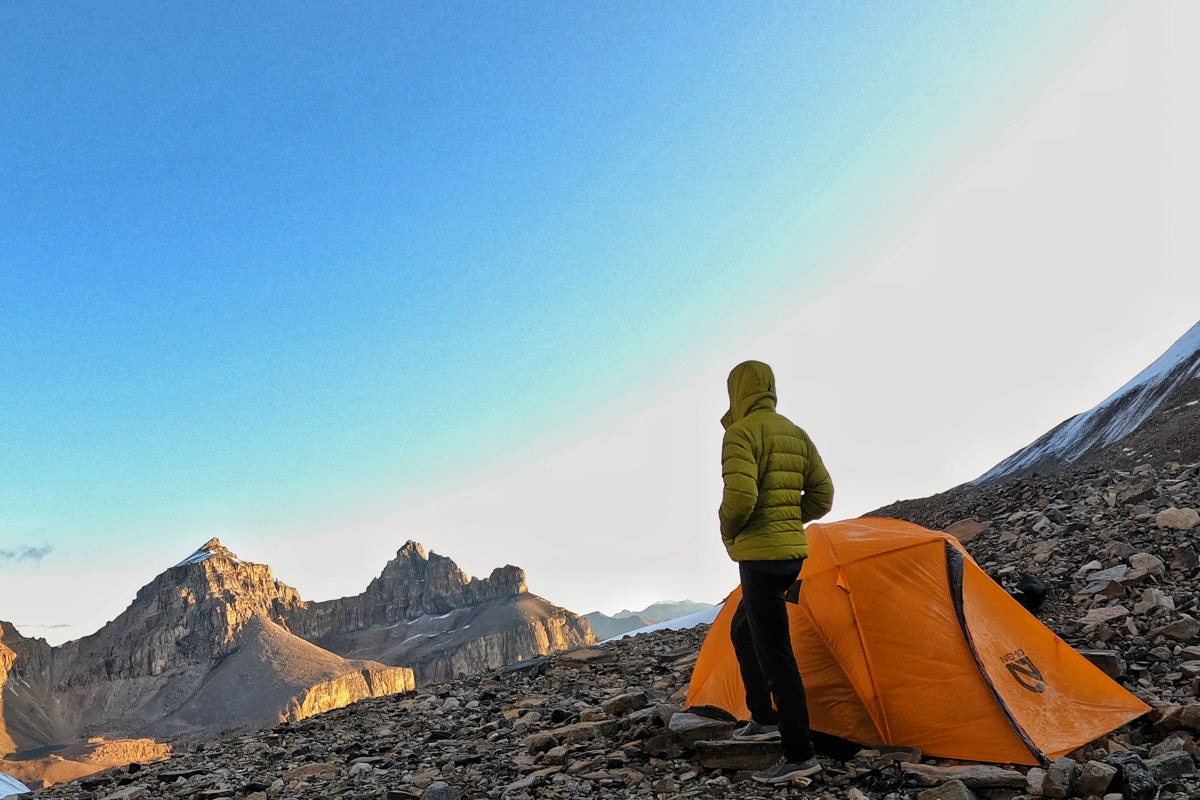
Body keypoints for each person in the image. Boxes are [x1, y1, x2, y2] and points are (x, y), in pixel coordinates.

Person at [718, 360, 834, 785]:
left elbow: (741, 496)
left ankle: (800, 754)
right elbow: (823, 495)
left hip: (761, 558)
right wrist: (788, 518)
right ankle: (763, 717)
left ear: (738, 392)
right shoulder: (795, 432)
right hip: (790, 556)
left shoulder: (741, 433)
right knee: (743, 630)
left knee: (776, 654)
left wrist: (730, 529)